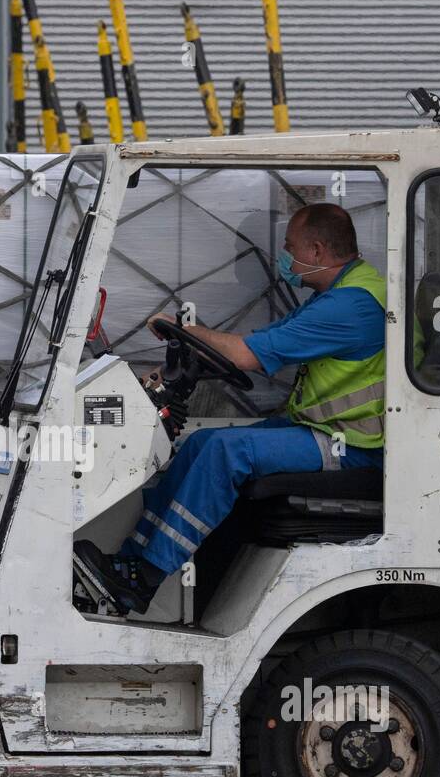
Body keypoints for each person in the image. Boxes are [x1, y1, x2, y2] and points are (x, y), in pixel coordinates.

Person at [75, 202, 387, 614]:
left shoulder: (350, 306)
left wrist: (185, 331)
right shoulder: (338, 294)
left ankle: (147, 577)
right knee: (202, 442)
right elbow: (260, 339)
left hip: (354, 445)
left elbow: (243, 354)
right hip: (326, 429)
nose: (284, 258)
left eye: (289, 248)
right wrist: (184, 351)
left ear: (315, 251)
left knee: (227, 452)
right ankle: (131, 562)